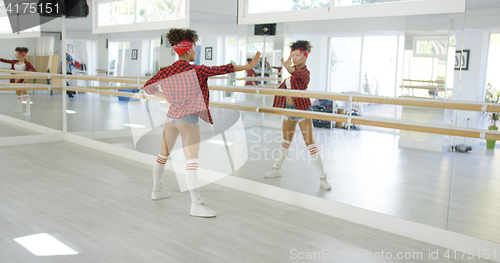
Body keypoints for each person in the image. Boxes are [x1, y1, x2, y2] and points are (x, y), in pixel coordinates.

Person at [142, 28, 261, 218]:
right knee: (192, 162)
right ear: (188, 50)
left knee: (162, 155)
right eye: (195, 49)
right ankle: (196, 204)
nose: (196, 52)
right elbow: (223, 69)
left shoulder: (165, 71)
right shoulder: (197, 70)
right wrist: (249, 67)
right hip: (188, 120)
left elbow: (147, 87)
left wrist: (165, 98)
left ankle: (156, 190)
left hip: (170, 118)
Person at [264, 40, 332, 190]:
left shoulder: (304, 73)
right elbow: (289, 68)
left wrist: (287, 63)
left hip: (302, 110)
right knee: (285, 142)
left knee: (310, 143)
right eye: (293, 55)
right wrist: (289, 60)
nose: (294, 58)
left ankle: (322, 177)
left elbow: (291, 69)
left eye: (298, 55)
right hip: (289, 110)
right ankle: (277, 168)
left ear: (305, 57)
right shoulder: (293, 70)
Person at [0, 47, 36, 116]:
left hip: (22, 81)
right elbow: (5, 60)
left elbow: (33, 70)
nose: (15, 54)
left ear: (21, 54)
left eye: (17, 53)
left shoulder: (27, 63)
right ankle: (19, 109)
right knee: (18, 95)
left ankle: (28, 111)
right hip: (15, 81)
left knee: (25, 95)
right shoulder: (14, 62)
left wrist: (26, 76)